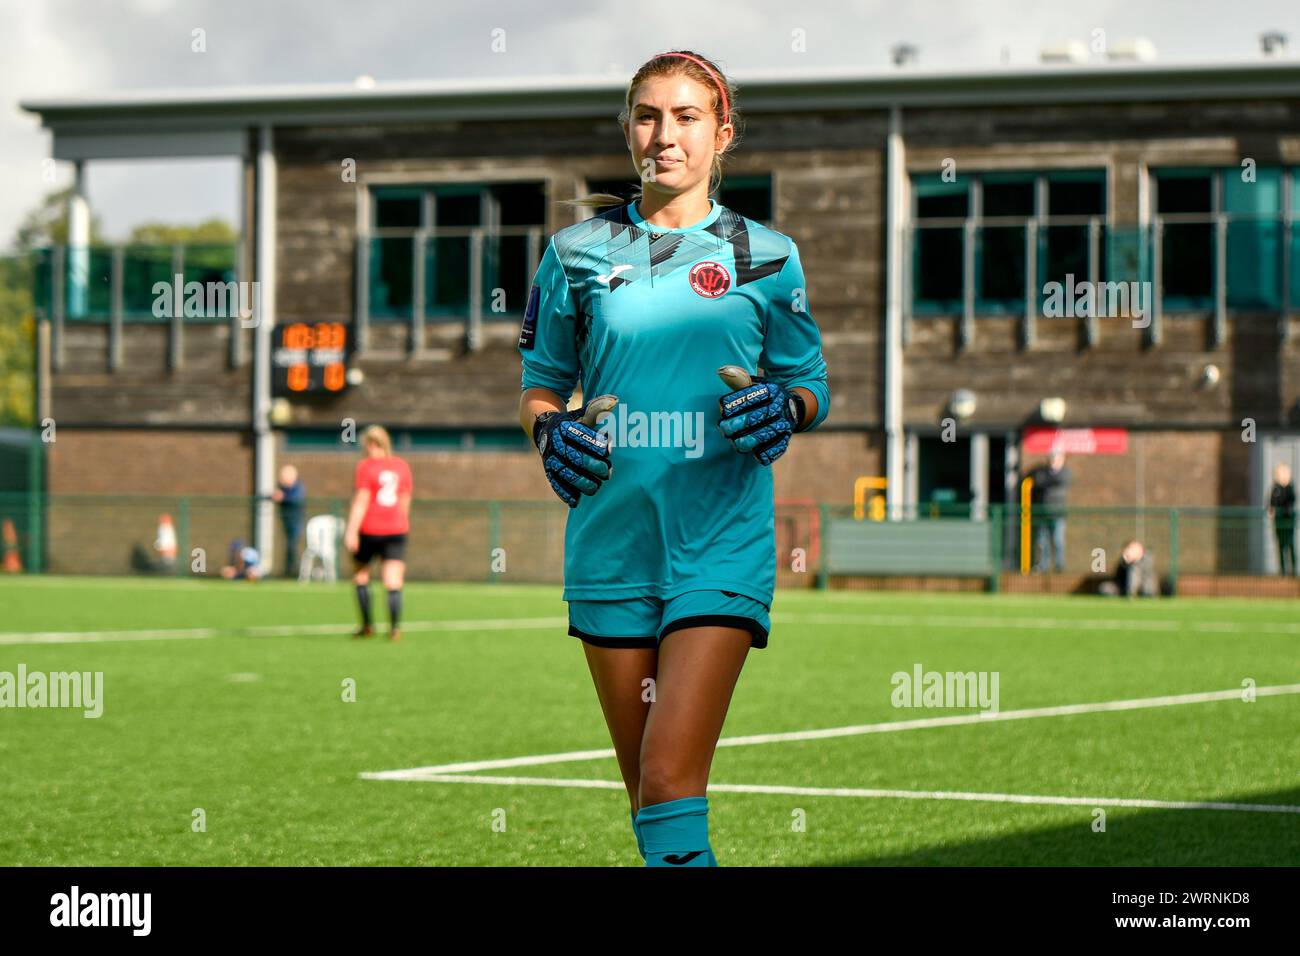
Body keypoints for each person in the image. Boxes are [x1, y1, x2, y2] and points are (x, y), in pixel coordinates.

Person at [518, 50, 830, 867]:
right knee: (653, 802)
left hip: (719, 544)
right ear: (627, 130)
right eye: (648, 116)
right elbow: (542, 385)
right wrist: (549, 432)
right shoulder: (573, 253)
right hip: (611, 543)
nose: (665, 135)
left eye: (686, 117)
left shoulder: (769, 255)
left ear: (722, 134)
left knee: (665, 774)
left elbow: (809, 383)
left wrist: (785, 409)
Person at [343, 425, 412, 640]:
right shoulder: (401, 466)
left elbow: (361, 501)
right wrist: (400, 521)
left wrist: (351, 531)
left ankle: (367, 626)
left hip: (370, 528)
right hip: (397, 528)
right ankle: (394, 629)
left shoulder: (366, 467)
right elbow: (405, 500)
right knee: (393, 580)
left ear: (371, 444)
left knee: (361, 575)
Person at [1029, 451, 1071, 573]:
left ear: (1062, 460)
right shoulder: (1042, 472)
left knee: (1058, 541)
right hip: (1043, 513)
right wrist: (1049, 479)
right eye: (1052, 459)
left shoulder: (1065, 473)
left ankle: (1059, 566)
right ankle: (1043, 566)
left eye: (1056, 459)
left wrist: (1049, 480)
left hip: (1058, 514)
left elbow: (1060, 480)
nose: (1053, 462)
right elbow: (1038, 481)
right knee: (1042, 541)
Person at [271, 464, 306, 578]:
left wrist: (283, 497)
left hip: (295, 522)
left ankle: (294, 572)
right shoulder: (282, 488)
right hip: (287, 522)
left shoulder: (297, 488)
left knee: (293, 546)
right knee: (289, 546)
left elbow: (294, 499)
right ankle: (289, 571)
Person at [1267, 462, 1296, 576]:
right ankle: (1283, 571)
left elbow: (1291, 500)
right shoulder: (1275, 489)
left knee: (1290, 545)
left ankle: (1293, 571)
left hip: (1288, 522)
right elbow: (1272, 503)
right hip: (1279, 523)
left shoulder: (1290, 488)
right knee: (1280, 546)